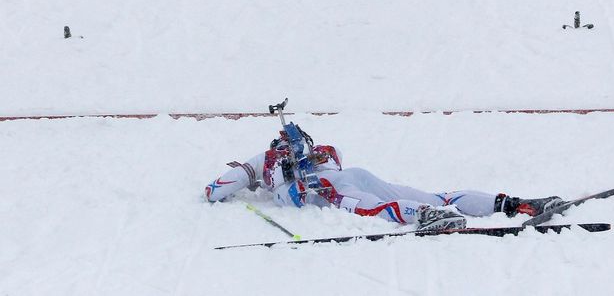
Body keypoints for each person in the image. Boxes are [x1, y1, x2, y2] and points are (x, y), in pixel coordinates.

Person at [204, 123, 563, 234]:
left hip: (329, 189)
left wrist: (252, 175)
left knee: (375, 207)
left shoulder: (267, 162)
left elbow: (214, 191)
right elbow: (334, 155)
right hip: (354, 176)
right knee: (439, 195)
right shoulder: (321, 152)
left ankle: (423, 215)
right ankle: (512, 204)